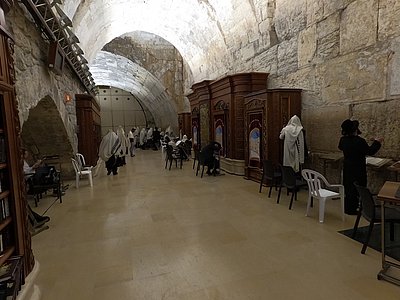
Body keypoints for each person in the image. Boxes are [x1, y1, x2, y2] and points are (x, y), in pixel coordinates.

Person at [338, 119, 382, 215]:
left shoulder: (343, 140)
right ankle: (357, 208)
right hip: (358, 168)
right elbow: (370, 151)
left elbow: (340, 147)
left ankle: (349, 208)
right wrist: (377, 142)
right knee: (358, 187)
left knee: (349, 188)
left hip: (347, 167)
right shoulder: (359, 141)